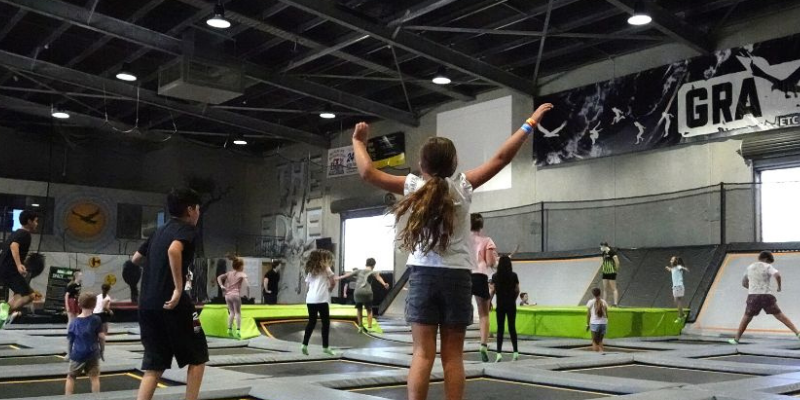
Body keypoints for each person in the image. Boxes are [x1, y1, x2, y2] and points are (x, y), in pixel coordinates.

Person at [351, 103, 554, 400]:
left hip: (422, 276)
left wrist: (358, 142)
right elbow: (501, 158)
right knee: (453, 357)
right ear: (455, 163)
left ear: (422, 165)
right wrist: (530, 122)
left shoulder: (413, 186)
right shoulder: (462, 186)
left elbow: (368, 172)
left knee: (422, 355)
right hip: (458, 276)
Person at [130, 188, 208, 400]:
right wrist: (177, 287)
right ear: (191, 210)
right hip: (176, 305)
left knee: (155, 364)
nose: (198, 213)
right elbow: (174, 250)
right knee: (199, 355)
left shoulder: (158, 232)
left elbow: (135, 258)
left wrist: (157, 268)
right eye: (198, 209)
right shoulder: (188, 230)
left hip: (147, 305)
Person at [728, 251, 800, 344]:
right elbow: (777, 275)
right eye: (769, 261)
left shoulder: (750, 267)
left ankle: (736, 339)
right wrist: (779, 287)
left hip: (753, 296)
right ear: (766, 259)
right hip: (766, 296)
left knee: (746, 318)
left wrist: (752, 289)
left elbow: (744, 283)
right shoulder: (767, 266)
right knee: (780, 316)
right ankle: (798, 333)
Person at [0, 210, 39, 326]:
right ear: (29, 221)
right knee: (29, 295)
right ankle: (2, 314)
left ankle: (3, 313)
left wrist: (22, 263)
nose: (37, 224)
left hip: (4, 269)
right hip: (9, 270)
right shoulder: (24, 234)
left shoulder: (16, 233)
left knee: (19, 294)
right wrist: (18, 265)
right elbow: (14, 246)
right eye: (36, 221)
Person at [470, 213, 498, 362]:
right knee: (484, 314)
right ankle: (483, 345)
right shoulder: (487, 241)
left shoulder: (464, 241)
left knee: (458, 312)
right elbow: (490, 262)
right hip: (479, 276)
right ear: (481, 226)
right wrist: (497, 261)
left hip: (464, 275)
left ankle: (453, 344)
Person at [65, 292, 105, 395]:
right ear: (95, 305)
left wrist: (69, 354)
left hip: (78, 354)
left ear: (79, 304)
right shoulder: (96, 319)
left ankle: (68, 397)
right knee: (94, 377)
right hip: (93, 353)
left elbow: (70, 341)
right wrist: (102, 350)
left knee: (71, 377)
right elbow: (101, 337)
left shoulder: (74, 322)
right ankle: (96, 397)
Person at [336, 258, 389, 332]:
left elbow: (347, 275)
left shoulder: (358, 271)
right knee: (369, 310)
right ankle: (370, 327)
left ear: (366, 264)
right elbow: (378, 278)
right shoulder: (373, 272)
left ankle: (360, 327)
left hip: (358, 292)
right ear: (373, 265)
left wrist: (338, 278)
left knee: (359, 309)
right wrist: (384, 284)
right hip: (367, 293)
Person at [302, 249, 336, 356]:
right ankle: (325, 347)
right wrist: (329, 290)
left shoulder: (311, 270)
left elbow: (307, 286)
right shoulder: (326, 269)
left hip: (310, 299)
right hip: (322, 299)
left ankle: (304, 344)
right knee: (325, 323)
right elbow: (333, 282)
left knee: (311, 322)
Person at [490, 256, 520, 362]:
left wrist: (489, 301)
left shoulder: (495, 276)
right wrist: (513, 299)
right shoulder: (514, 275)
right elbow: (517, 290)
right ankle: (515, 352)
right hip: (511, 304)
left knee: (500, 329)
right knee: (512, 328)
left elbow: (492, 291)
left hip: (500, 304)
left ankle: (498, 353)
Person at [218, 254, 249, 339]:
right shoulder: (241, 274)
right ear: (240, 266)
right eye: (243, 265)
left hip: (227, 295)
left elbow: (219, 277)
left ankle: (229, 328)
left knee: (231, 312)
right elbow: (247, 285)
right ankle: (238, 330)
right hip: (235, 295)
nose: (243, 267)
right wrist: (248, 293)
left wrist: (221, 286)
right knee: (238, 313)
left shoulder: (229, 273)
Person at [665, 256, 689, 323]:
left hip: (678, 286)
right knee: (677, 301)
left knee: (677, 301)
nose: (670, 261)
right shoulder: (673, 269)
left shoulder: (678, 267)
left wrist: (684, 268)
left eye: (672, 260)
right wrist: (667, 268)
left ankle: (680, 316)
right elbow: (671, 270)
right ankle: (683, 314)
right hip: (676, 287)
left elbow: (684, 268)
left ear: (675, 261)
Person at [586, 287, 608, 352]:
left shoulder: (591, 302)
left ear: (593, 294)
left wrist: (587, 324)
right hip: (603, 323)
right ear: (600, 293)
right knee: (600, 341)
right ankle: (602, 355)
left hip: (594, 323)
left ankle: (595, 357)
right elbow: (607, 314)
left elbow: (588, 315)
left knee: (594, 341)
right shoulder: (604, 302)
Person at [599, 242, 620, 307]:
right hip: (605, 272)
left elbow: (617, 262)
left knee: (613, 288)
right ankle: (604, 303)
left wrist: (615, 270)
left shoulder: (612, 252)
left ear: (605, 246)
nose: (600, 248)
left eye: (601, 247)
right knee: (605, 288)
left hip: (611, 272)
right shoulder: (603, 253)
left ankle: (615, 303)